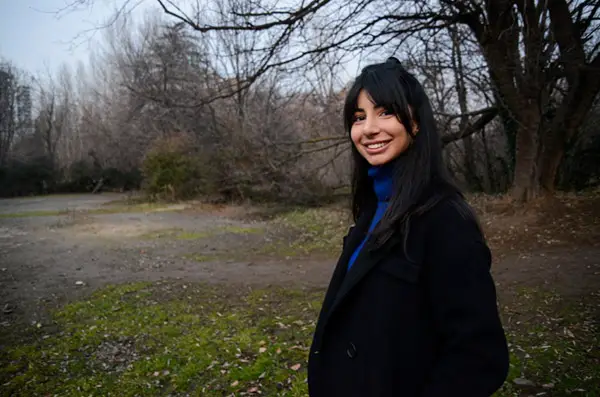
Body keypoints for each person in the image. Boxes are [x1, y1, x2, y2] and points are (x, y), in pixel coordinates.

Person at [307, 57, 509, 396]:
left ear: (416, 123)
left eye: (385, 112)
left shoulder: (445, 219)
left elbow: (478, 357)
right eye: (359, 117)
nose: (369, 128)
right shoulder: (373, 210)